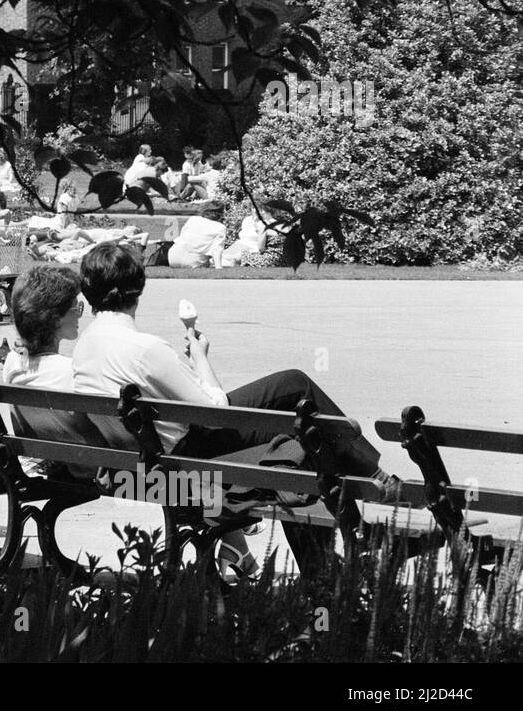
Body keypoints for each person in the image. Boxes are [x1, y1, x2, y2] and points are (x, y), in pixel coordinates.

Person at [71, 243, 396, 576]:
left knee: (302, 430)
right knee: (296, 389)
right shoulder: (146, 349)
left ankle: (345, 547)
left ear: (88, 291)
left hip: (142, 472)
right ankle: (368, 483)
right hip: (189, 462)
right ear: (139, 288)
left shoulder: (85, 349)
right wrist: (200, 358)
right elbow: (214, 413)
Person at [1, 265, 101, 478]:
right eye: (75, 309)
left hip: (46, 457)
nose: (79, 316)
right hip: (84, 467)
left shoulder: (13, 362)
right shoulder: (72, 371)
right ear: (54, 318)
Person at [167, 204, 229, 269]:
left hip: (172, 258)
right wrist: (218, 267)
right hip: (193, 262)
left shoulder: (192, 219)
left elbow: (182, 236)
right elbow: (216, 249)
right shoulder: (221, 227)